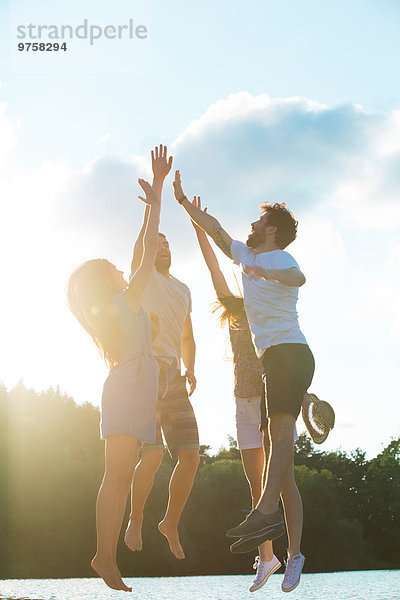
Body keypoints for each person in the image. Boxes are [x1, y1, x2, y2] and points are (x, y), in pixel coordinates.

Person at [174, 171, 313, 592]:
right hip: (276, 359)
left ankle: (268, 511)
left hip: (290, 352)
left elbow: (298, 279)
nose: (249, 228)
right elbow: (215, 231)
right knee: (277, 435)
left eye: (256, 224)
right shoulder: (245, 255)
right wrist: (182, 202)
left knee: (281, 432)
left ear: (270, 230)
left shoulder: (278, 260)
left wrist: (268, 274)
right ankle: (272, 526)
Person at [66, 176, 161, 592]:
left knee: (130, 472)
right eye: (115, 269)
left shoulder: (121, 304)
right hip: (128, 388)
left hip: (140, 390)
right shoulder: (125, 301)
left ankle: (110, 550)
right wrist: (155, 201)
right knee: (117, 476)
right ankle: (104, 556)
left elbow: (139, 251)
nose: (123, 269)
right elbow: (143, 256)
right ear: (109, 281)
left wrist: (147, 208)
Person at [124, 146, 200, 561]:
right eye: (160, 243)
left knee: (190, 456)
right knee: (152, 456)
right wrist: (155, 194)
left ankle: (168, 521)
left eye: (169, 244)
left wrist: (191, 369)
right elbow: (145, 243)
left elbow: (188, 336)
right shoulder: (145, 275)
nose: (164, 247)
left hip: (175, 379)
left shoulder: (183, 290)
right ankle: (136, 517)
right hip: (148, 375)